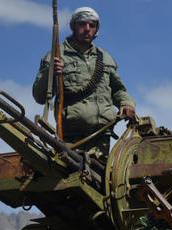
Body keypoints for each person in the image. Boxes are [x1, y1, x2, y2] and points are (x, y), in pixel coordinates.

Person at [33, 6, 136, 159]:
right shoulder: (56, 55)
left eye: (92, 25)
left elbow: (118, 90)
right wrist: (50, 73)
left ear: (96, 30)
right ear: (73, 26)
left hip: (103, 136)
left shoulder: (105, 58)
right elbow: (39, 97)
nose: (87, 29)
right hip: (71, 139)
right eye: (82, 24)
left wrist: (127, 104)